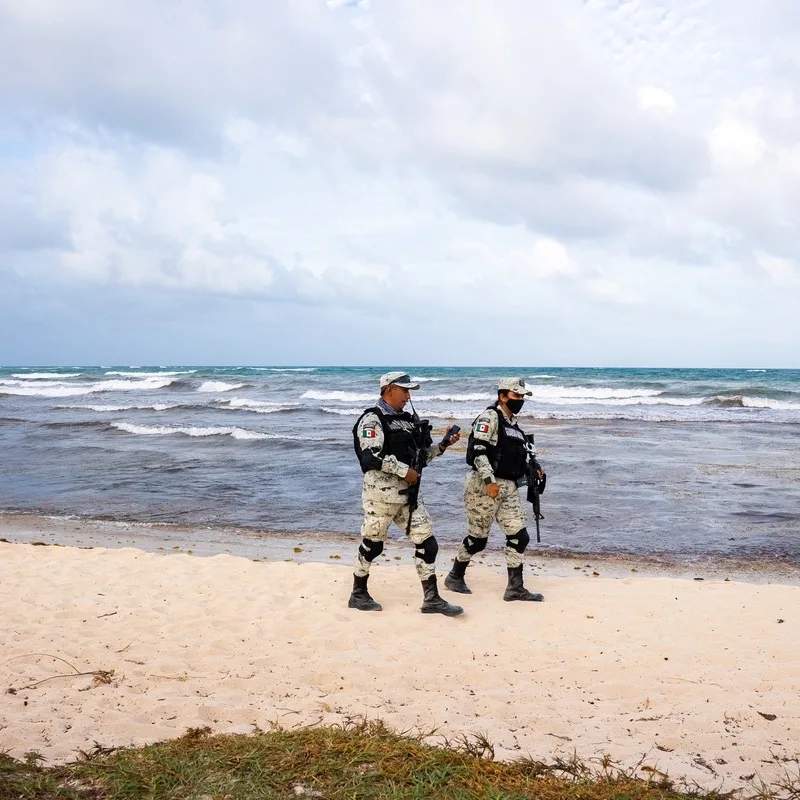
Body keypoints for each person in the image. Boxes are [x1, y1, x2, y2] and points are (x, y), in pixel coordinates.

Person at [348, 371, 464, 616]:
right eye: (405, 390)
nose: (408, 396)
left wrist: (443, 445)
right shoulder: (372, 419)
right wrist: (404, 471)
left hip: (408, 497)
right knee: (372, 546)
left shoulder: (408, 421)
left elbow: (420, 460)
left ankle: (431, 599)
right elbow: (371, 457)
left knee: (428, 544)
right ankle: (358, 593)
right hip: (381, 496)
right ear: (389, 390)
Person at [444, 378, 544, 601]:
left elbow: (515, 455)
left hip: (508, 487)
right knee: (478, 540)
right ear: (502, 396)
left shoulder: (514, 425)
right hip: (483, 486)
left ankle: (515, 588)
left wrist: (534, 468)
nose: (520, 400)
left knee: (520, 536)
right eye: (515, 396)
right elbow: (478, 451)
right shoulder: (489, 417)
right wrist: (490, 482)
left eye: (522, 397)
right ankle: (455, 576)